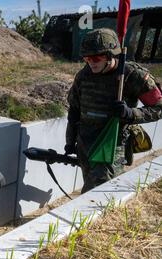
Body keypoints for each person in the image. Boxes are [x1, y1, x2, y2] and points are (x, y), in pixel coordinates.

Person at [65, 28, 162, 193]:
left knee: (94, 195)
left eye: (97, 57)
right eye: (87, 58)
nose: (91, 62)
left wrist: (131, 114)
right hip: (85, 144)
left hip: (110, 146)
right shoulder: (83, 75)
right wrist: (70, 140)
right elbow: (74, 110)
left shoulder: (132, 75)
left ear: (111, 55)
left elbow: (159, 108)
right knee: (93, 191)